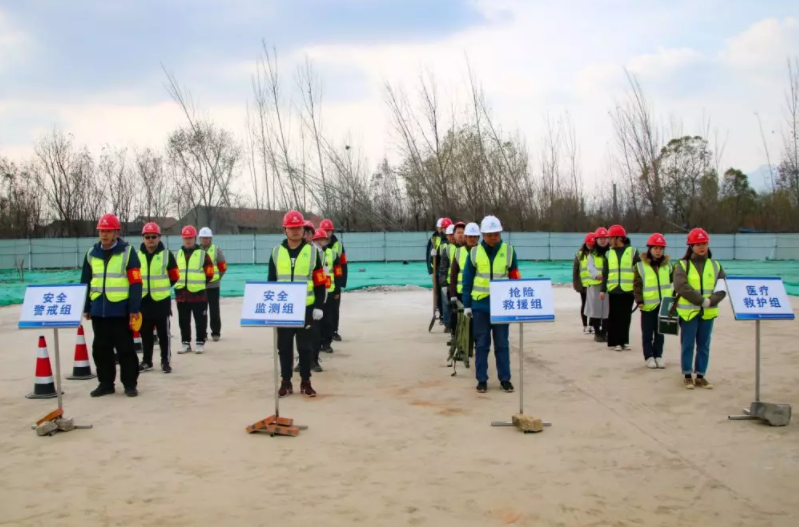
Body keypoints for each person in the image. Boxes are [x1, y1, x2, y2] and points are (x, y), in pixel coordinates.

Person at [80, 214, 142, 397]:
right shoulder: (91, 254)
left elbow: (136, 283)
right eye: (101, 231)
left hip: (120, 311)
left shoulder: (128, 253)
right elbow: (85, 282)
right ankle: (106, 384)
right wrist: (86, 307)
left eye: (108, 231)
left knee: (126, 350)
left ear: (117, 233)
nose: (104, 234)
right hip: (99, 311)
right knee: (101, 350)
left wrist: (134, 309)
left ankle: (129, 384)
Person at [269, 210, 327, 397]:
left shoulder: (313, 253)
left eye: (298, 227)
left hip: (305, 308)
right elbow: (271, 282)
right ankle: (286, 382)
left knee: (305, 347)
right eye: (291, 227)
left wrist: (318, 306)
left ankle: (305, 382)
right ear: (284, 230)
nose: (295, 231)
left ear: (304, 229)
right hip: (284, 309)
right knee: (284, 347)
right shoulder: (276, 252)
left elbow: (320, 282)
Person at [462, 215, 521, 394]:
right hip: (480, 306)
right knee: (482, 344)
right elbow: (467, 280)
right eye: (489, 234)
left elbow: (515, 277)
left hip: (502, 306)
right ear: (483, 235)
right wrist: (467, 305)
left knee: (502, 344)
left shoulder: (509, 251)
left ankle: (505, 379)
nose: (493, 237)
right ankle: (482, 380)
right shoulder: (474, 253)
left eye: (496, 234)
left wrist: (517, 302)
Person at [673, 228, 726, 390]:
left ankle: (701, 376)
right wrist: (702, 301)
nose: (701, 247)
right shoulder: (682, 265)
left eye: (704, 243)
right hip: (689, 313)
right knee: (688, 344)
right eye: (697, 244)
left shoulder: (716, 265)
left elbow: (722, 288)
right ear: (691, 246)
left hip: (707, 313)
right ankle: (687, 375)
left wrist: (710, 302)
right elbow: (681, 286)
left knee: (704, 344)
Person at [138, 222, 179, 374]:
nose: (150, 240)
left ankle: (165, 361)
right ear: (143, 238)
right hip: (144, 300)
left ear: (159, 237)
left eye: (153, 237)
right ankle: (147, 361)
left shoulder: (167, 255)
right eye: (147, 237)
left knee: (163, 334)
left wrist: (163, 287)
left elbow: (174, 276)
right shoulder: (137, 256)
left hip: (161, 301)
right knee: (145, 333)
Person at [633, 233, 672, 369]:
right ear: (649, 249)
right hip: (648, 305)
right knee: (647, 333)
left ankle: (658, 355)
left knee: (660, 332)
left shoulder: (668, 266)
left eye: (661, 248)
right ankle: (649, 356)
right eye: (655, 248)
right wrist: (639, 300)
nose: (658, 251)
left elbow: (673, 283)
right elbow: (637, 285)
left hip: (664, 304)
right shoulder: (640, 266)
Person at [175, 225, 214, 354]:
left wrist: (201, 283)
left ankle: (199, 342)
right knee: (183, 320)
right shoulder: (178, 254)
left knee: (200, 320)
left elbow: (210, 272)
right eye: (185, 238)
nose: (188, 240)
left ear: (195, 238)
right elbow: (173, 273)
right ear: (182, 238)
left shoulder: (202, 254)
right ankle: (185, 343)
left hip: (198, 294)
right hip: (182, 293)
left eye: (190, 238)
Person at [601, 224, 640, 351]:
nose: (609, 241)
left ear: (619, 238)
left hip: (628, 290)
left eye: (611, 238)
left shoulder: (632, 251)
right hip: (614, 290)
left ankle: (624, 341)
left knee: (626, 317)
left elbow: (639, 271)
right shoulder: (608, 253)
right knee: (614, 316)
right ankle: (616, 342)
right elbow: (605, 273)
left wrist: (638, 289)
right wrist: (602, 290)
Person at [296, 227, 328, 373]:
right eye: (305, 233)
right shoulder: (294, 252)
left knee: (314, 332)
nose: (306, 236)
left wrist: (319, 304)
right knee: (299, 334)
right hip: (297, 301)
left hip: (314, 300)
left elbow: (321, 278)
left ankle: (314, 360)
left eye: (309, 233)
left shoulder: (317, 253)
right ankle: (302, 361)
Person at [449, 221, 479, 358]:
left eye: (475, 237)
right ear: (465, 238)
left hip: (478, 293)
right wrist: (453, 294)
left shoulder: (481, 252)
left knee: (476, 323)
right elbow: (453, 274)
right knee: (463, 323)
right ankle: (465, 349)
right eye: (469, 236)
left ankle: (476, 347)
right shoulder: (459, 252)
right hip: (462, 293)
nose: (472, 239)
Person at [320, 218, 348, 341]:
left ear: (332, 231)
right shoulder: (316, 244)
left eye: (329, 230)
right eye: (324, 230)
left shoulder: (338, 246)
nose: (326, 233)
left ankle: (334, 331)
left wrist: (341, 283)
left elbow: (343, 264)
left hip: (334, 283)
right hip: (320, 283)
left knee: (334, 309)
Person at [198, 227, 226, 342]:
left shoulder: (216, 250)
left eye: (207, 238)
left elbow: (222, 267)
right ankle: (202, 333)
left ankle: (215, 332)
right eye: (203, 238)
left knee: (214, 311)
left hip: (213, 286)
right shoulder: (196, 251)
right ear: (200, 238)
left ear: (211, 238)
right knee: (201, 311)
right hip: (200, 286)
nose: (205, 240)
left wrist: (217, 278)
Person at [318, 228, 342, 355]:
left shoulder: (332, 254)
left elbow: (338, 272)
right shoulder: (312, 254)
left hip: (330, 291)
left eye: (323, 239)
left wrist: (337, 289)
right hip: (316, 292)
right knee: (317, 321)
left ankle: (327, 343)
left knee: (328, 320)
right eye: (317, 240)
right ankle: (317, 343)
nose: (320, 242)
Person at [584, 227, 610, 342]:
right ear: (596, 240)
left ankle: (604, 331)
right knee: (595, 310)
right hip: (595, 285)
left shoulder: (611, 253)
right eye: (600, 238)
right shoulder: (592, 254)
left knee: (606, 310)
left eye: (605, 238)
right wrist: (597, 275)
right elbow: (590, 267)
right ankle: (597, 333)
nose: (603, 241)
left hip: (608, 285)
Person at [445, 222, 466, 341]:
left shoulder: (473, 249)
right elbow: (445, 269)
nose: (461, 235)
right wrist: (444, 284)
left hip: (469, 290)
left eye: (463, 232)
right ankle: (455, 336)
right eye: (458, 232)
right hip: (454, 287)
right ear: (454, 235)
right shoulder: (451, 249)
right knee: (455, 314)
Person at [573, 233, 596, 333]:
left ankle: (592, 325)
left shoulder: (597, 254)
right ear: (585, 243)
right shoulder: (579, 254)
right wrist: (576, 284)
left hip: (594, 284)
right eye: (589, 244)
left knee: (594, 305)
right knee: (585, 304)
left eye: (592, 244)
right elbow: (575, 271)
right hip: (583, 285)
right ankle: (585, 325)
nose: (590, 246)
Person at [438, 223, 456, 331]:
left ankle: (454, 326)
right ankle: (448, 324)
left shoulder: (462, 248)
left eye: (453, 235)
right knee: (446, 304)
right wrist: (443, 283)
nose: (451, 237)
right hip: (448, 282)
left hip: (458, 283)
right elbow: (443, 268)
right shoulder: (447, 248)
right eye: (449, 235)